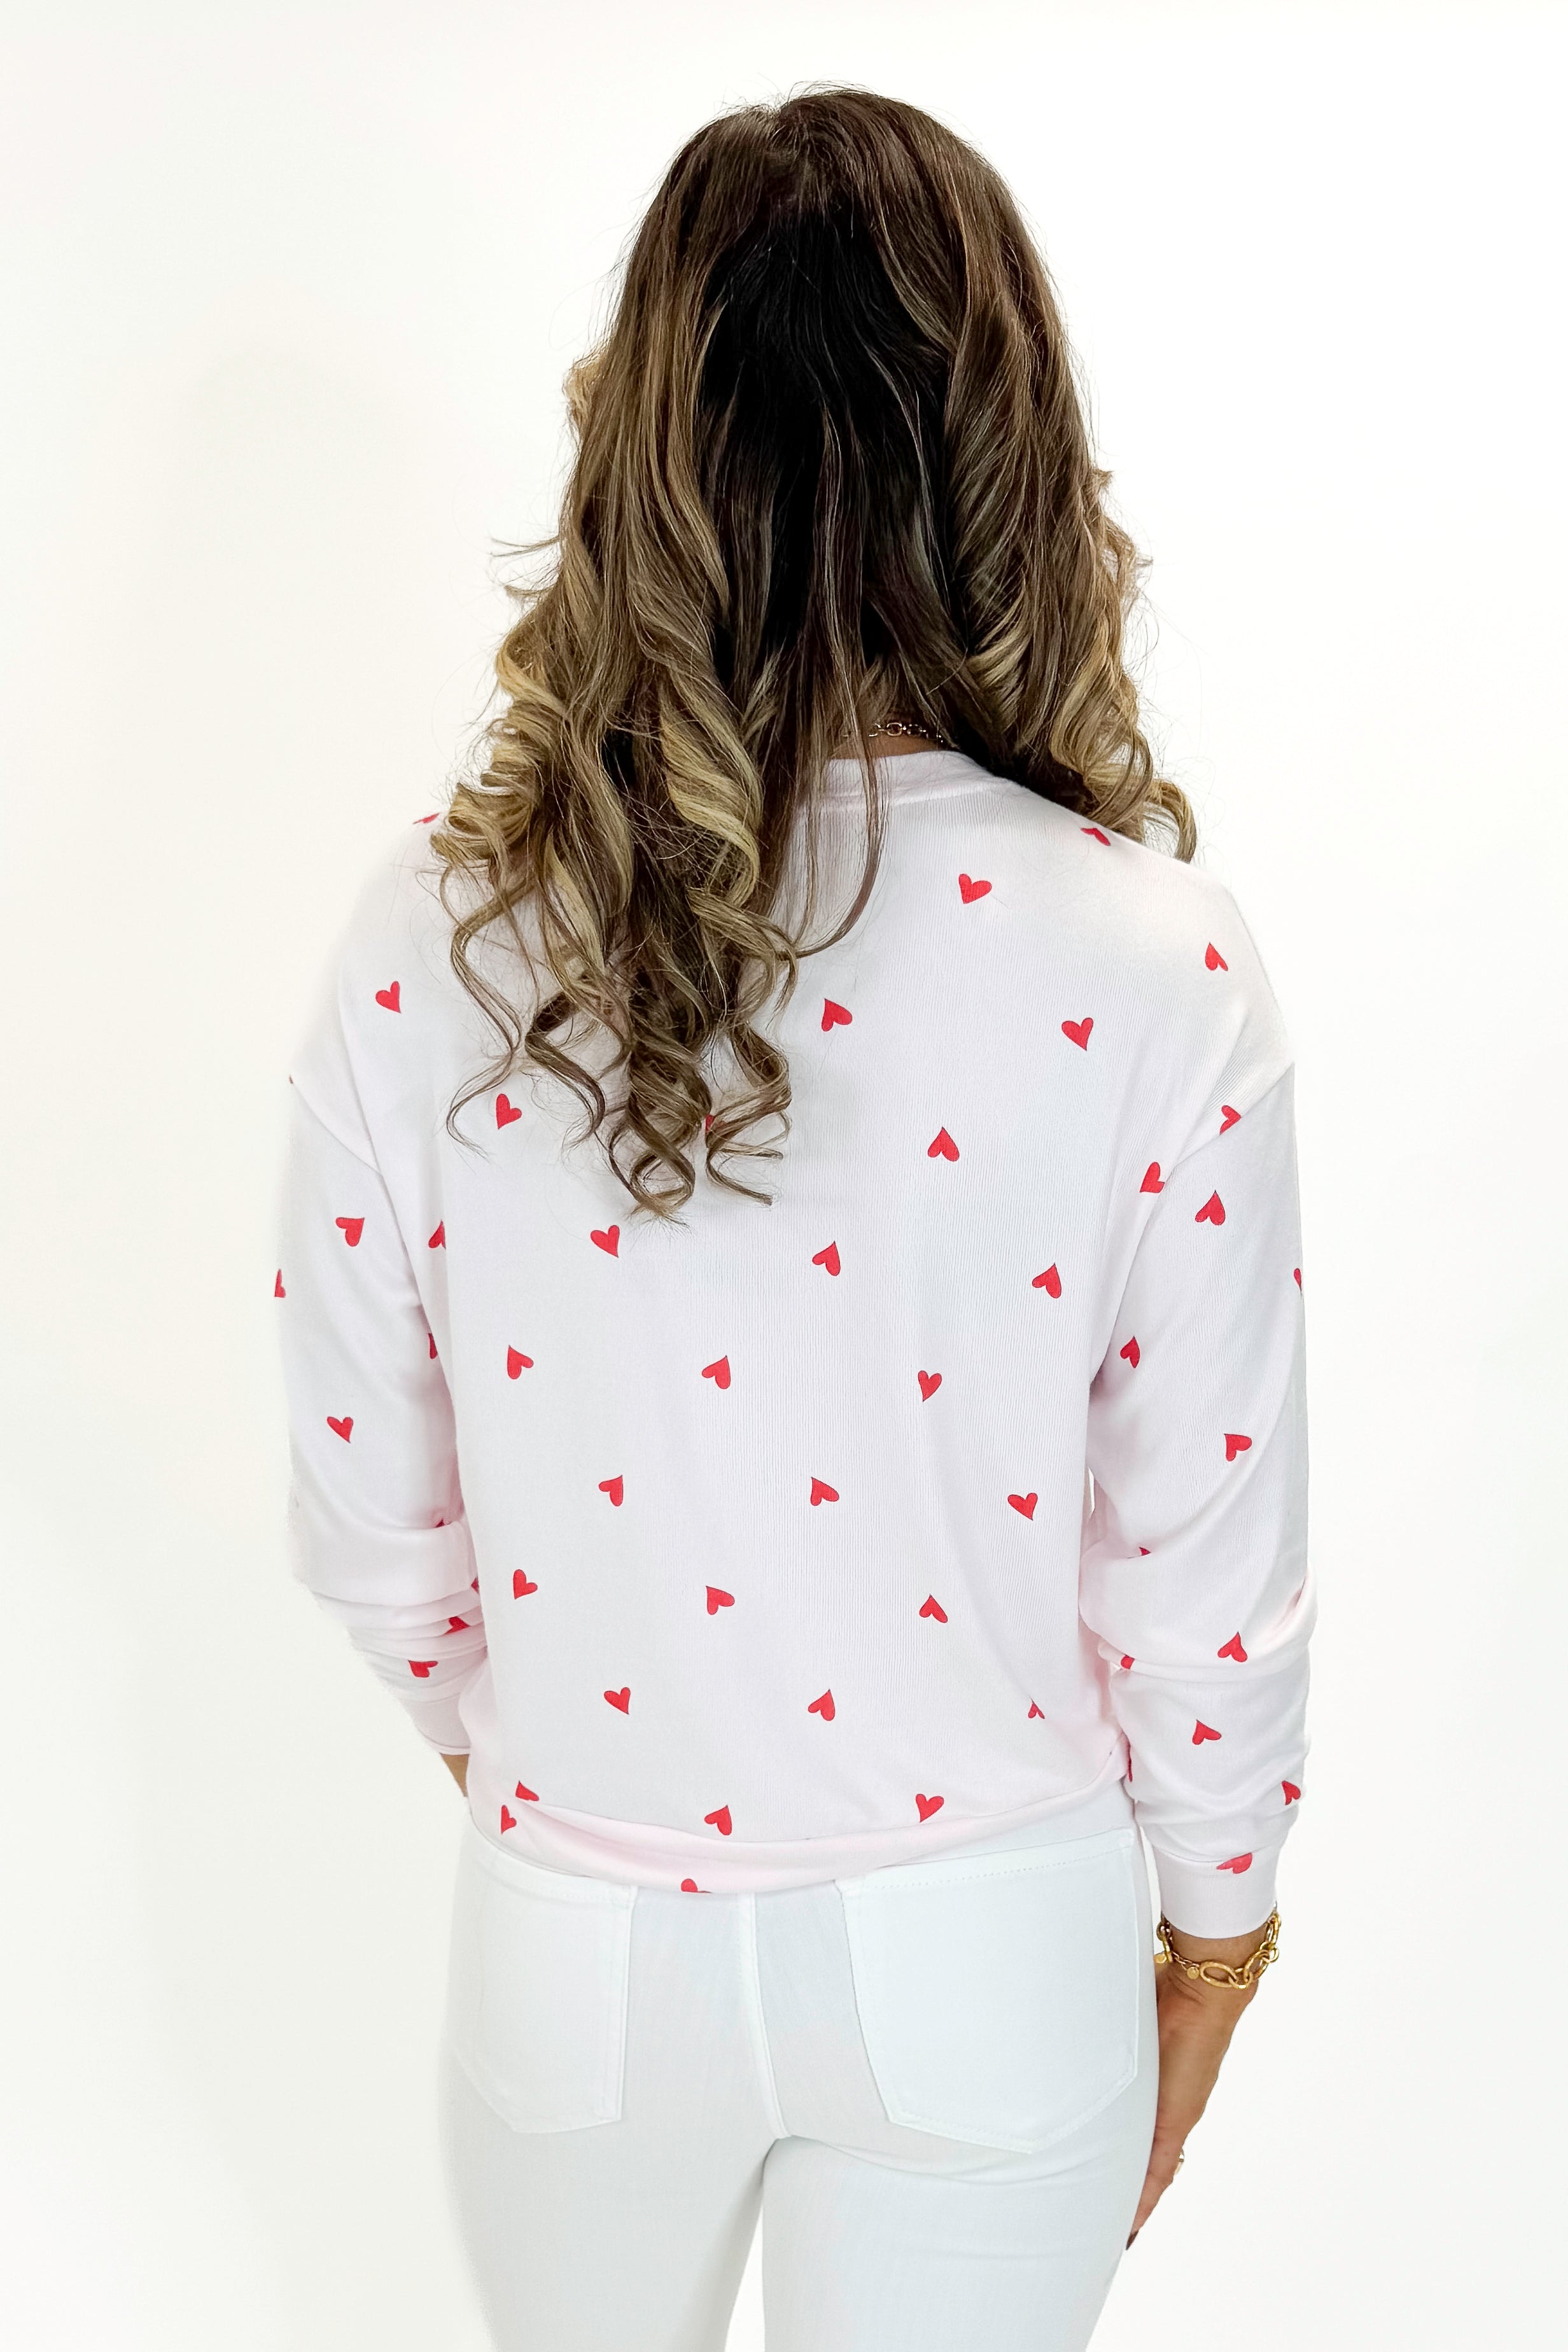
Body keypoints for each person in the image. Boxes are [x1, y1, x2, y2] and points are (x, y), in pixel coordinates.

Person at [275, 85, 1312, 2352]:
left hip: (571, 1945)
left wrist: (585, 1757)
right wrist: (1216, 1937)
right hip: (987, 1940)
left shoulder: (432, 938)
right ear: (1008, 441)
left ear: (643, 440)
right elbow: (1204, 1569)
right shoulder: (1157, 962)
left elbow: (370, 1522)